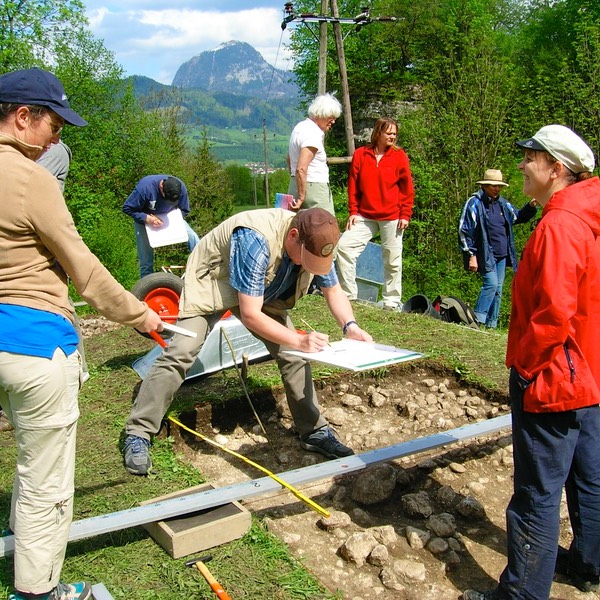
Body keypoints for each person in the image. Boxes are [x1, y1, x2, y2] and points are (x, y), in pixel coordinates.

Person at [0, 67, 163, 600]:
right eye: (53, 124)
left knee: (29, 460)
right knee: (45, 479)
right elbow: (85, 272)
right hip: (34, 343)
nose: (58, 137)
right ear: (22, 117)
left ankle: (24, 551)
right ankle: (39, 592)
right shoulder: (31, 179)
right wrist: (142, 316)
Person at [122, 207, 373, 476]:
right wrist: (298, 340)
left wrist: (351, 325)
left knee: (294, 356)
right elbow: (251, 315)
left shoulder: (317, 238)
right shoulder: (255, 239)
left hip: (261, 289)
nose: (306, 266)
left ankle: (314, 431)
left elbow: (332, 289)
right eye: (305, 260)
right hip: (215, 280)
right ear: (293, 235)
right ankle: (138, 432)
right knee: (182, 352)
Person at [463, 125, 600, 600]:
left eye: (529, 157)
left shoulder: (560, 226)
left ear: (556, 169)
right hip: (590, 376)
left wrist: (524, 367)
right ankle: (588, 563)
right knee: (589, 478)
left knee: (535, 497)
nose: (521, 165)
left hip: (554, 380)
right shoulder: (586, 216)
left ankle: (522, 594)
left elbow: (554, 313)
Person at [335, 118, 414, 310]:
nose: (392, 137)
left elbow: (407, 188)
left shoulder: (399, 156)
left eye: (395, 133)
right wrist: (353, 211)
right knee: (344, 247)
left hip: (392, 216)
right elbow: (353, 185)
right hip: (364, 214)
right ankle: (348, 295)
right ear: (378, 133)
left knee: (392, 259)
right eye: (389, 133)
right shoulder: (361, 154)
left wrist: (405, 214)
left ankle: (391, 301)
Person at [37, 141, 90, 383]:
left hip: (46, 241)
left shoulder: (53, 151)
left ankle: (77, 367)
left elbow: (28, 190)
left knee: (60, 302)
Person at [458, 169, 538, 328]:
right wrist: (471, 254)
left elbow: (518, 217)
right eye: (493, 186)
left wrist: (530, 206)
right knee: (492, 284)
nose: (497, 189)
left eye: (499, 186)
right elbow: (464, 230)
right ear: (485, 185)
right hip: (484, 253)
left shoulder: (503, 204)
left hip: (502, 254)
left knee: (499, 289)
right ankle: (476, 320)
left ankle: (491, 324)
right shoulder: (474, 203)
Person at [122, 174, 200, 278]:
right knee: (145, 262)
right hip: (145, 221)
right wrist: (147, 219)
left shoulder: (180, 187)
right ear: (161, 187)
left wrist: (173, 219)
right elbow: (127, 208)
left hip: (170, 218)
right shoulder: (145, 188)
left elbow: (185, 210)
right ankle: (147, 286)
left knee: (192, 236)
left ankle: (204, 264)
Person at [286, 93, 342, 215]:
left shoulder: (299, 127)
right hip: (314, 188)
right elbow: (301, 168)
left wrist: (295, 182)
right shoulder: (312, 133)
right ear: (320, 114)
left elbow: (289, 159)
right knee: (325, 227)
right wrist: (302, 196)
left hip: (295, 184)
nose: (333, 121)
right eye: (330, 117)